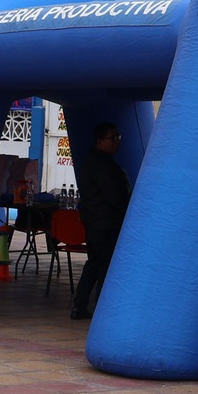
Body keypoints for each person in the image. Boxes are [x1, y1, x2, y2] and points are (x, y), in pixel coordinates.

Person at [71, 122, 130, 320]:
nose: (117, 142)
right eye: (113, 138)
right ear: (100, 140)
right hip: (105, 224)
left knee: (95, 264)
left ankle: (81, 305)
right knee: (104, 266)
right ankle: (101, 310)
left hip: (97, 222)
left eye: (118, 137)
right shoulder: (101, 165)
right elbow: (114, 195)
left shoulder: (97, 161)